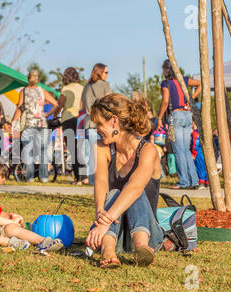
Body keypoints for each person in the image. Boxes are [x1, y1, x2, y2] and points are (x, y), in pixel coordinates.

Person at [85, 93, 165, 268]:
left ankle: (142, 248)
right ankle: (108, 250)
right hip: (114, 233)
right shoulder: (101, 148)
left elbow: (135, 187)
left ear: (114, 122)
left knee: (133, 192)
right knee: (114, 193)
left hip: (149, 233)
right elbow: (100, 183)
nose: (96, 129)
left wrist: (104, 221)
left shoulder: (148, 150)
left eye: (99, 123)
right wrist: (100, 215)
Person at [0, 156, 64, 252]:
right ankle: (12, 243)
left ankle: (43, 241)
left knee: (12, 228)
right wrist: (7, 221)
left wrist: (9, 216)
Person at [156, 59, 202, 190]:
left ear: (165, 70)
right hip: (187, 116)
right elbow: (200, 84)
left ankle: (183, 182)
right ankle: (194, 181)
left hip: (175, 116)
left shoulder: (166, 83)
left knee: (178, 151)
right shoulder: (183, 80)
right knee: (186, 150)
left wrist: (159, 118)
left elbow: (165, 101)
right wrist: (191, 98)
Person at [11, 69, 59, 183]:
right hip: (42, 123)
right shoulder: (42, 90)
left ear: (28, 78)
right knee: (42, 151)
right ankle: (44, 177)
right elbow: (56, 104)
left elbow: (19, 108)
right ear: (38, 79)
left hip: (29, 124)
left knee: (28, 150)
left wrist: (14, 121)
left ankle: (30, 177)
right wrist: (47, 114)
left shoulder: (23, 91)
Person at [54, 67, 87, 185]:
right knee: (80, 149)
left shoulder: (66, 89)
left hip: (68, 119)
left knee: (72, 149)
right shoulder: (82, 88)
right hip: (80, 119)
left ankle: (79, 178)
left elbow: (60, 105)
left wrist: (53, 115)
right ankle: (84, 177)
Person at [81, 63, 113, 185]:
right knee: (104, 152)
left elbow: (83, 106)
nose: (107, 75)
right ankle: (103, 179)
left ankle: (92, 180)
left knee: (90, 154)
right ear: (100, 73)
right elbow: (110, 103)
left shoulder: (87, 86)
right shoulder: (105, 85)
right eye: (106, 72)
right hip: (101, 123)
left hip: (89, 122)